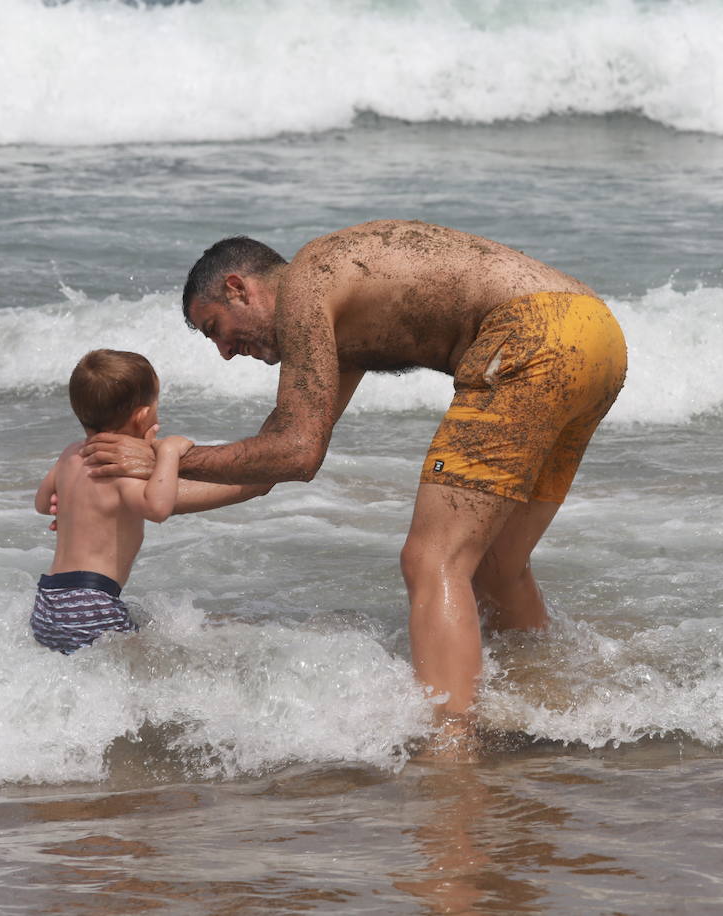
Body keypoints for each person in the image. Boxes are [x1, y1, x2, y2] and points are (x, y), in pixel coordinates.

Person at [81, 221, 627, 750]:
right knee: (497, 565)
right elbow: (270, 465)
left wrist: (169, 454)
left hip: (532, 335)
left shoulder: (305, 284)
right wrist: (142, 494)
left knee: (432, 560)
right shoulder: (340, 315)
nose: (224, 351)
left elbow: (298, 453)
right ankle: (546, 706)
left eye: (214, 328)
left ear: (237, 288)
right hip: (596, 336)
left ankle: (451, 747)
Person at [33, 349, 270, 654]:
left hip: (49, 599)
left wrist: (67, 504)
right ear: (143, 416)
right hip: (91, 602)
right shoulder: (117, 471)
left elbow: (42, 503)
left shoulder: (70, 454)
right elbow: (158, 507)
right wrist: (168, 452)